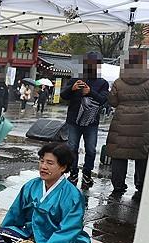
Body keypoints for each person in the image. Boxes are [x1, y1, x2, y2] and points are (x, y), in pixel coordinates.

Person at [1, 143, 98, 243]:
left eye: (50, 163)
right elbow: (15, 214)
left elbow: (69, 229)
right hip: (31, 234)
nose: (43, 166)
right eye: (41, 161)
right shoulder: (31, 186)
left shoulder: (72, 195)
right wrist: (3, 235)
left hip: (61, 242)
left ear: (63, 167)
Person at [106, 49, 149, 196]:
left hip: (121, 119)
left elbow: (113, 102)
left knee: (119, 154)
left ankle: (118, 186)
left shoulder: (118, 82)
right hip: (143, 120)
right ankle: (140, 185)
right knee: (142, 154)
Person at [60, 51, 109, 190]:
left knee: (91, 150)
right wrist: (72, 88)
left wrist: (90, 92)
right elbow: (64, 95)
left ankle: (87, 174)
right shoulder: (75, 78)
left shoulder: (103, 82)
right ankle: (73, 173)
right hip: (73, 120)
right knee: (72, 148)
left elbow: (103, 100)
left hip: (91, 122)